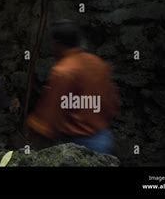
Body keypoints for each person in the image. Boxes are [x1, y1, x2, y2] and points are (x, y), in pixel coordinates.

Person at [26, 20, 120, 154]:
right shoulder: (98, 64)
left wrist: (34, 126)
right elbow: (112, 103)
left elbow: (51, 116)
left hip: (79, 146)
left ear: (57, 44)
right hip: (104, 138)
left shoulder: (63, 71)